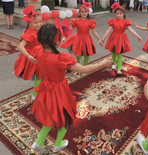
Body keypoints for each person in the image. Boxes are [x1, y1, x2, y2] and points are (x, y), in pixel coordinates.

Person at [30, 21, 112, 154]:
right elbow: (84, 69)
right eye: (60, 37)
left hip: (45, 90)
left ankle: (38, 142)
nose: (63, 38)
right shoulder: (60, 58)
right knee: (65, 117)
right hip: (59, 91)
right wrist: (102, 64)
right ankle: (57, 144)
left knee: (50, 116)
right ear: (55, 42)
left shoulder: (39, 52)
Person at [101, 2, 143, 75]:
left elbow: (131, 30)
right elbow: (108, 30)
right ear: (115, 14)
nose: (118, 15)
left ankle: (119, 69)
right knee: (113, 52)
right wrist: (103, 38)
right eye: (117, 13)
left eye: (120, 14)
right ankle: (114, 64)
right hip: (113, 38)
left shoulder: (125, 21)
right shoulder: (112, 21)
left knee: (119, 54)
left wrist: (138, 36)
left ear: (123, 14)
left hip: (121, 39)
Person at [14, 5, 43, 100]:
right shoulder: (29, 33)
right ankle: (35, 96)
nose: (39, 24)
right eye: (36, 22)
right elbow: (20, 46)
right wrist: (29, 56)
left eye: (40, 21)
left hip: (41, 54)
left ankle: (39, 91)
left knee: (42, 75)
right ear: (30, 23)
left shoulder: (38, 30)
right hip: (33, 57)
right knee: (39, 76)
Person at [60, 2, 102, 66]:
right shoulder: (76, 21)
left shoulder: (90, 22)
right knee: (78, 54)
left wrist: (99, 39)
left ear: (88, 12)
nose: (84, 13)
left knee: (86, 54)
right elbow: (70, 29)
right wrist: (64, 37)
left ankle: (85, 66)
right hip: (78, 38)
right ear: (80, 12)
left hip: (87, 39)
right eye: (82, 12)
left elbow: (94, 32)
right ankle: (78, 65)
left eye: (85, 12)